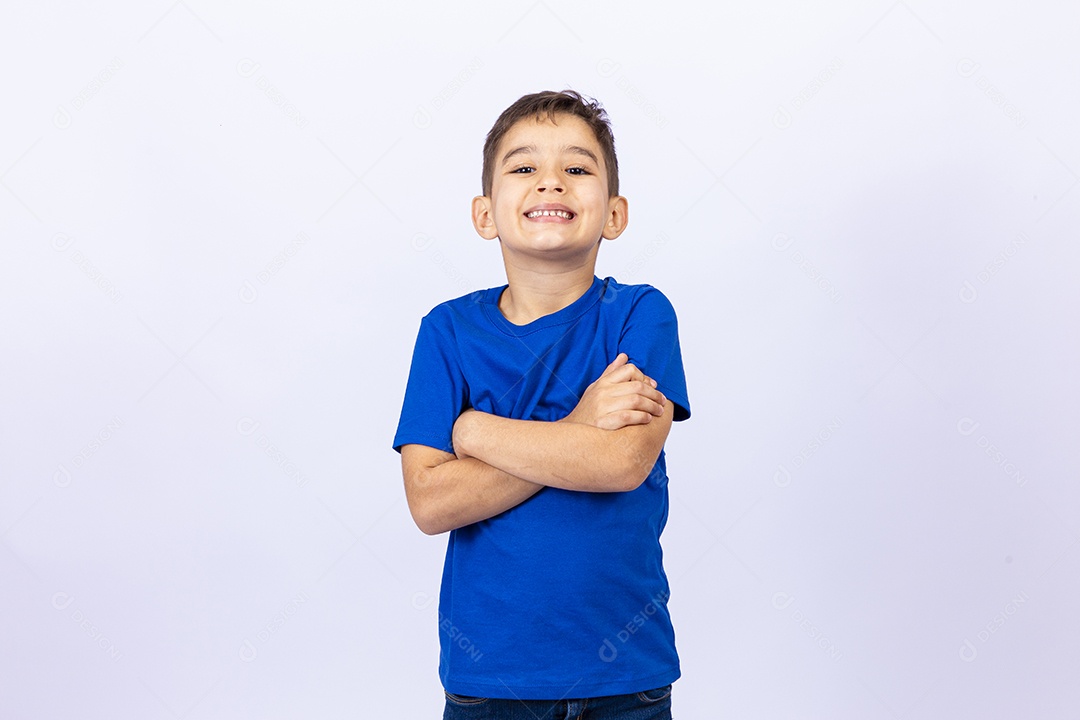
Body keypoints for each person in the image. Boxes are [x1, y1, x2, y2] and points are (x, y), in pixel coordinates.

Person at [393, 89, 691, 719]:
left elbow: (620, 464)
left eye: (577, 170)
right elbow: (431, 501)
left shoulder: (640, 315)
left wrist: (471, 431)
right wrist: (580, 424)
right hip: (491, 683)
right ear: (484, 213)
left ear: (614, 214)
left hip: (627, 681)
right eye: (524, 168)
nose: (551, 183)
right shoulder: (447, 332)